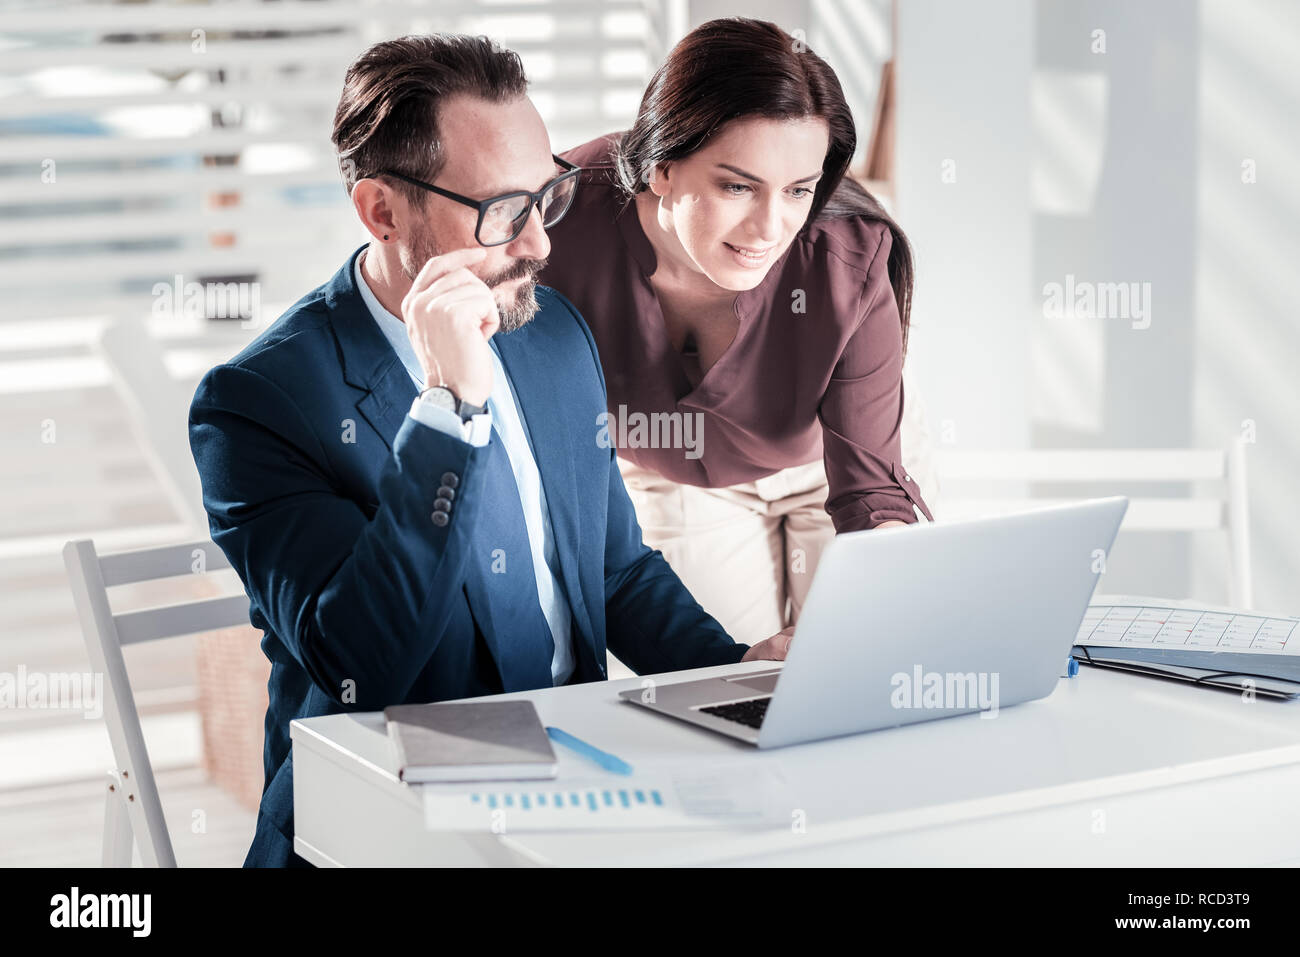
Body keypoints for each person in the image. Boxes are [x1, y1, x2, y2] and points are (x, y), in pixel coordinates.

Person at [187, 33, 789, 869]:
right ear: (382, 212)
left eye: (548, 197)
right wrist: (449, 409)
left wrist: (737, 680)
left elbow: (613, 571)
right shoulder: (259, 404)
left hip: (574, 797)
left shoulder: (550, 336)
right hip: (380, 819)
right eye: (504, 211)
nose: (539, 242)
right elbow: (366, 664)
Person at [540, 18, 936, 644]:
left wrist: (889, 596)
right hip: (681, 476)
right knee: (732, 690)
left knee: (870, 660)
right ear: (661, 167)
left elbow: (871, 496)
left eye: (799, 190)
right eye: (736, 186)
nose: (770, 228)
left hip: (835, 463)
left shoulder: (849, 254)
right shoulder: (554, 225)